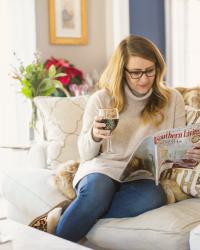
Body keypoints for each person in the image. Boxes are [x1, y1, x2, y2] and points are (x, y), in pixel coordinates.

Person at [54, 35, 200, 242]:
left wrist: (189, 152)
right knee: (97, 192)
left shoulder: (172, 99)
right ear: (121, 71)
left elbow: (177, 144)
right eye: (136, 72)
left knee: (153, 196)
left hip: (143, 174)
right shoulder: (103, 99)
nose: (144, 79)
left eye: (150, 70)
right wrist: (95, 135)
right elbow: (86, 154)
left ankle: (72, 213)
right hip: (104, 168)